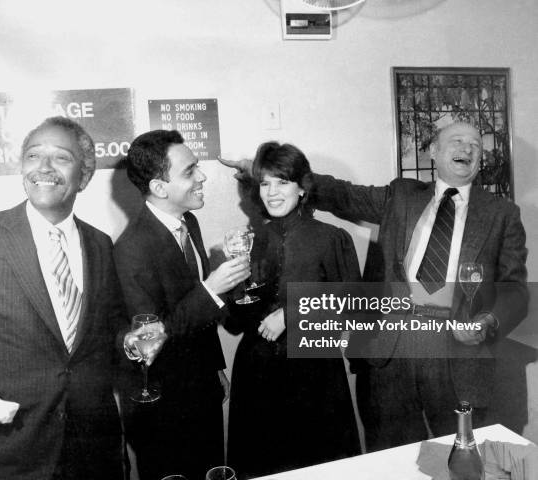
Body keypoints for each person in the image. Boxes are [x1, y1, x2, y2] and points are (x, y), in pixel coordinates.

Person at [220, 121, 528, 451]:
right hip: (391, 352)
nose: (466, 148)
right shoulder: (401, 195)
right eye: (456, 141)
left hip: (458, 352)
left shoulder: (502, 213)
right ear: (433, 151)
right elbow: (338, 193)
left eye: (475, 144)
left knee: (461, 458)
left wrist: (489, 321)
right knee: (391, 458)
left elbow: (515, 290)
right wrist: (261, 169)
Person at [0, 116, 127, 479]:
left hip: (93, 453)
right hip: (1, 456)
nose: (44, 168)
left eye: (61, 158)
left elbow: (104, 331)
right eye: (34, 156)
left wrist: (128, 339)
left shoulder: (100, 244)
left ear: (83, 176)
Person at [114, 129, 250, 480]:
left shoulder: (189, 222)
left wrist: (214, 367)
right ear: (160, 188)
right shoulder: (131, 249)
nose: (202, 176)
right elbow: (148, 340)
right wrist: (213, 289)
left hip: (200, 388)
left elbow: (195, 311)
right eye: (190, 171)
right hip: (163, 406)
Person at [225, 142, 361, 479]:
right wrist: (235, 274)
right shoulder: (249, 240)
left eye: (282, 182)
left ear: (302, 188)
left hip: (314, 377)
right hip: (257, 376)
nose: (272, 192)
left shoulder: (331, 239)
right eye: (265, 183)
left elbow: (357, 305)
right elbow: (234, 322)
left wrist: (293, 313)